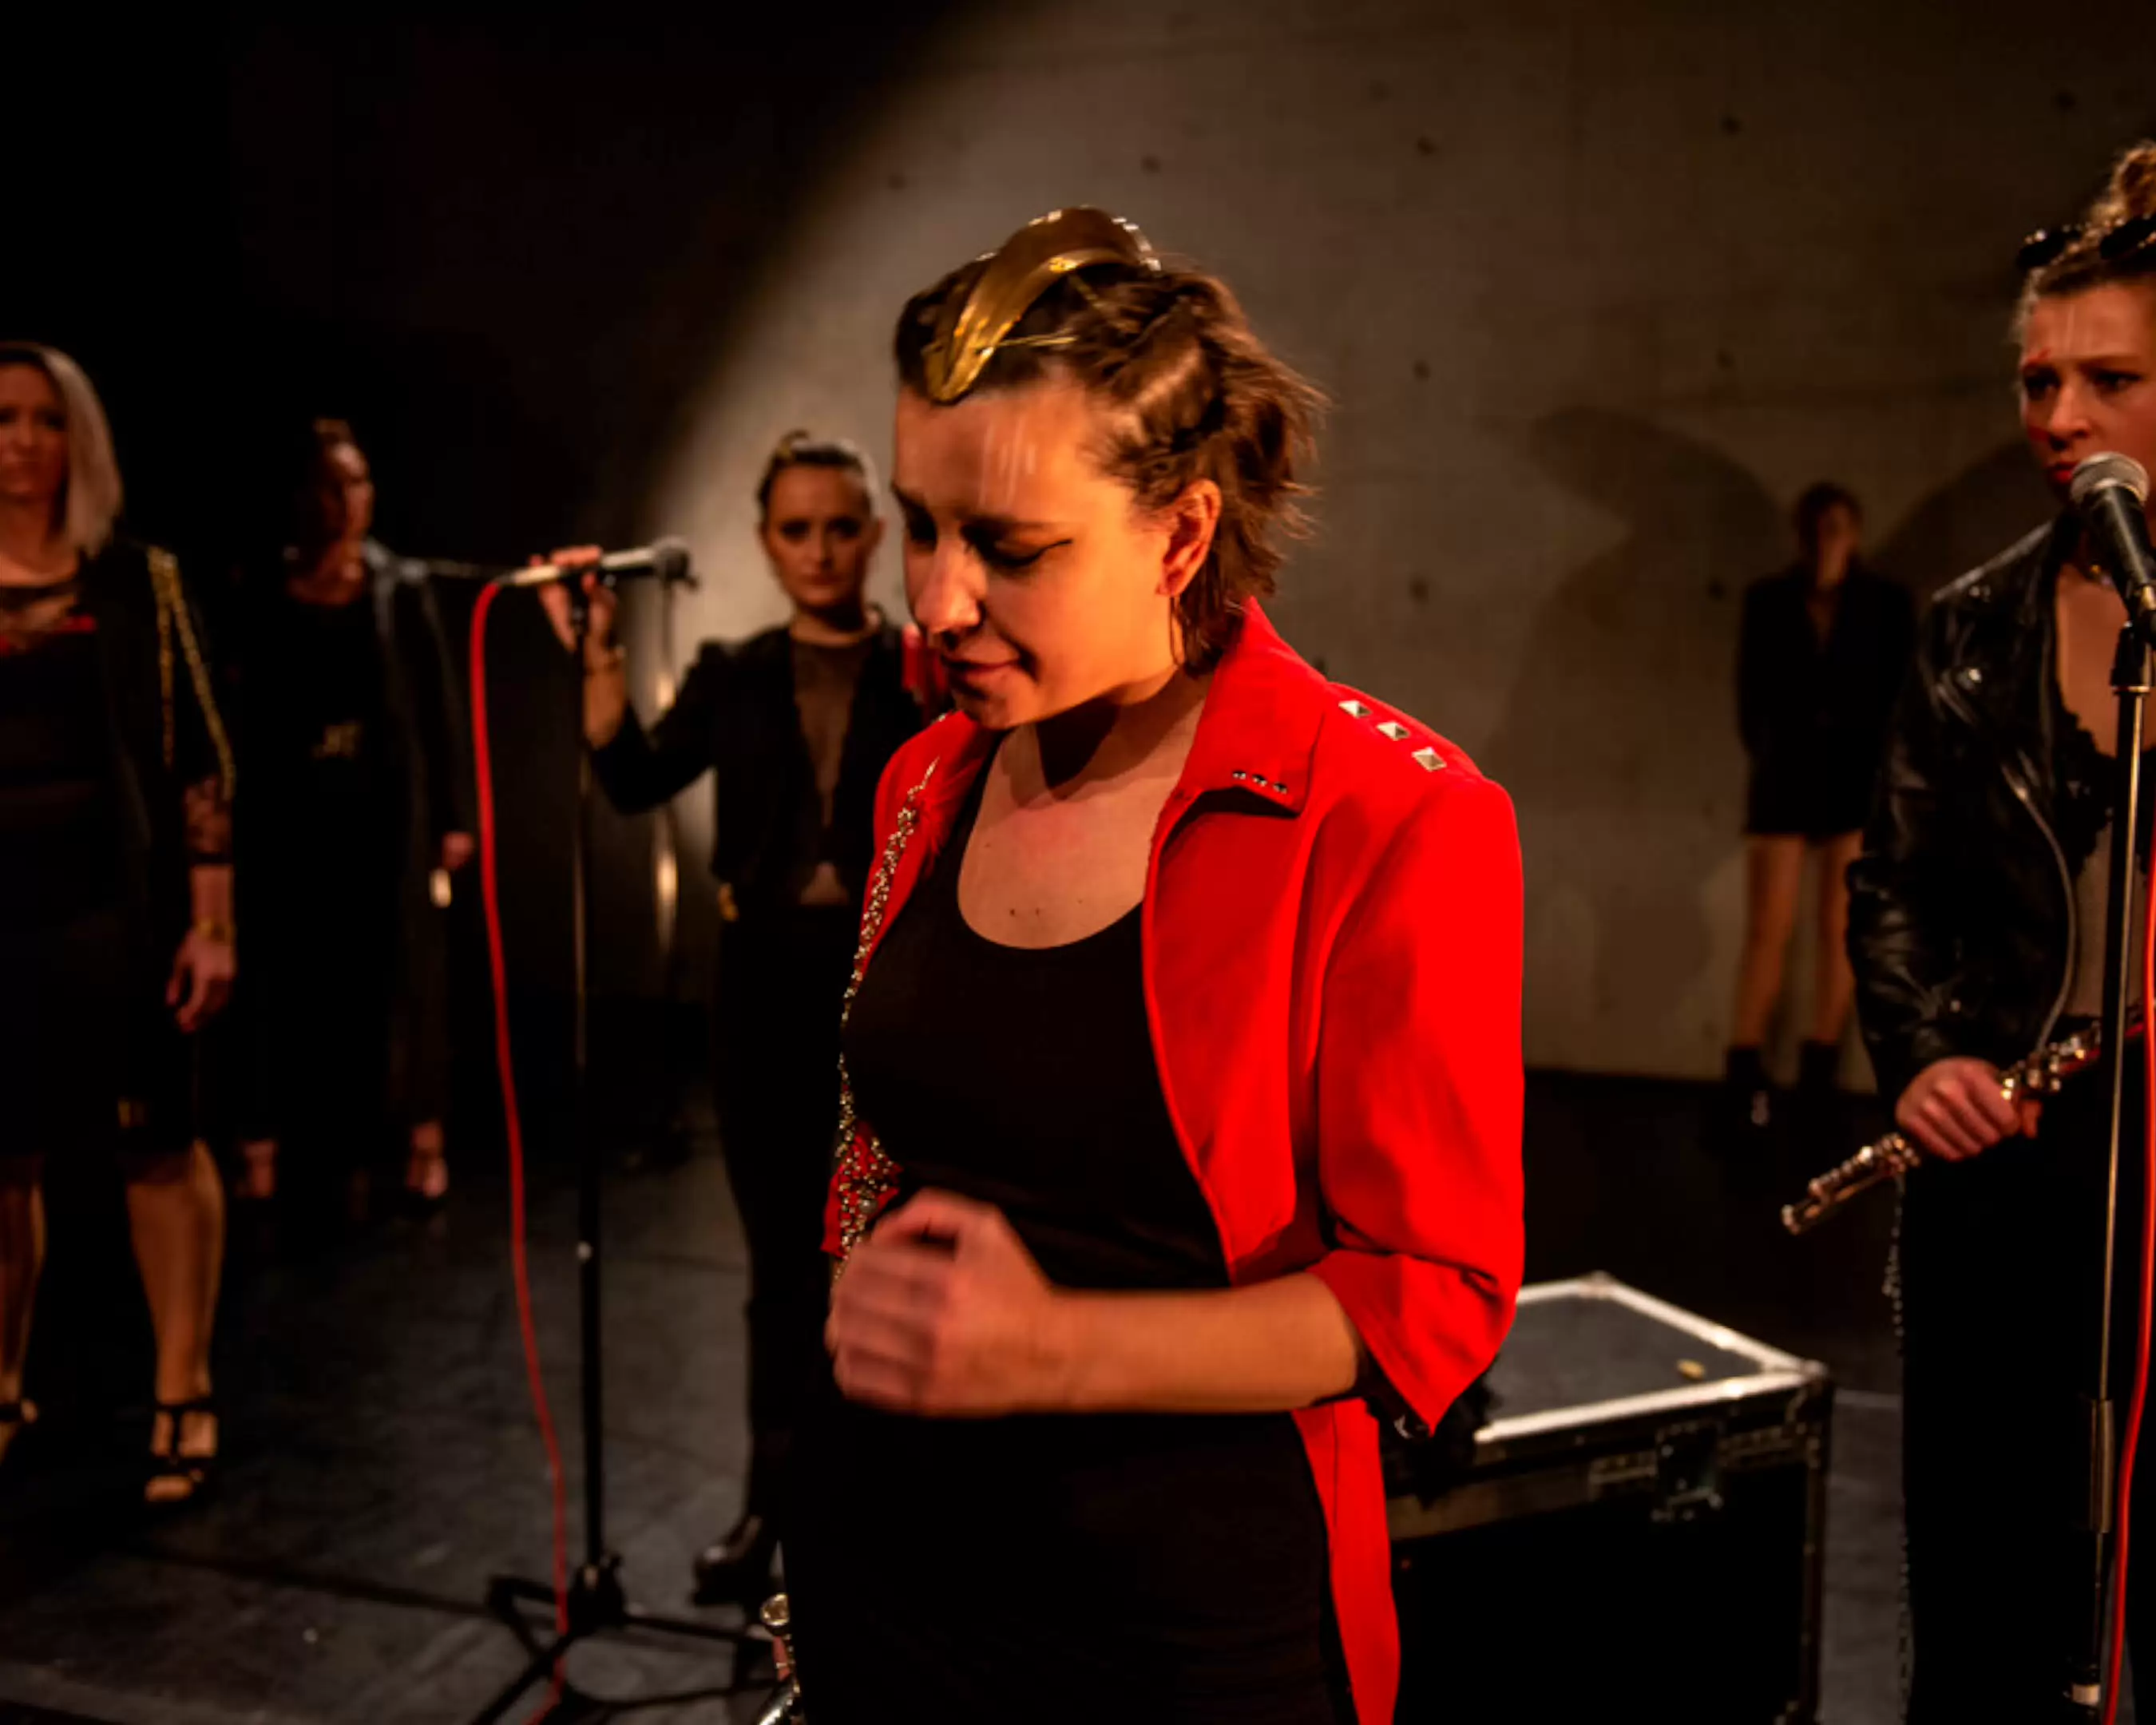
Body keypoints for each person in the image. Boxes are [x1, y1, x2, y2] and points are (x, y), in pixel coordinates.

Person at [784, 208, 1524, 1725]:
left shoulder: (1388, 817)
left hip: (1178, 1640)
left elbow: (1433, 1293)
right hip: (893, 1586)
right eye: (922, 525)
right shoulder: (929, 776)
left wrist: (1059, 1350)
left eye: (1010, 548)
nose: (936, 601)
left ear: (1182, 534)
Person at [1848, 140, 2156, 1720]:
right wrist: (1921, 1058)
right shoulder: (1972, 625)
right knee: (1985, 1599)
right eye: (2040, 381)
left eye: (2110, 380)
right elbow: (1894, 881)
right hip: (2011, 1166)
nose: (2059, 418)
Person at [538, 430, 931, 1606]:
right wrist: (599, 657)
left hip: (892, 987)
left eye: (841, 527)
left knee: (893, 1253)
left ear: (875, 534)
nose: (820, 550)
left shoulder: (925, 669)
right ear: (764, 542)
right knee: (781, 1264)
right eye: (796, 529)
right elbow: (633, 777)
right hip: (762, 988)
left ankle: (892, 1507)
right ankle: (776, 1503)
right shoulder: (733, 672)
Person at [0, 342, 235, 1505]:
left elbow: (202, 760)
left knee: (157, 1148)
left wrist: (212, 922)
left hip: (115, 912)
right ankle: (2, 1386)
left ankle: (183, 1389)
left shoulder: (138, 580)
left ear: (79, 440)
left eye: (47, 420)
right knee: (3, 1162)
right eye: (4, 418)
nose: (22, 443)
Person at [231, 420, 473, 1219]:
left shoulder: (399, 588)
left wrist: (454, 816)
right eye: (331, 485)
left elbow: (438, 708)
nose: (347, 501)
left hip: (385, 812)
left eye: (358, 482)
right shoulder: (263, 589)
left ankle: (422, 1141)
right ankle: (267, 1148)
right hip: (293, 813)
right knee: (285, 977)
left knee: (404, 976)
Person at [1726, 485, 1912, 1139]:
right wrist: (1774, 750)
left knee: (1839, 929)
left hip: (1853, 781)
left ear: (1854, 534)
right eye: (1814, 528)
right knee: (1768, 929)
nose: (1824, 540)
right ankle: (1744, 1072)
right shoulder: (1770, 600)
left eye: (1835, 527)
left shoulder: (1883, 604)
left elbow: (1898, 695)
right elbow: (1751, 696)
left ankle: (1817, 1073)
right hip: (1785, 777)